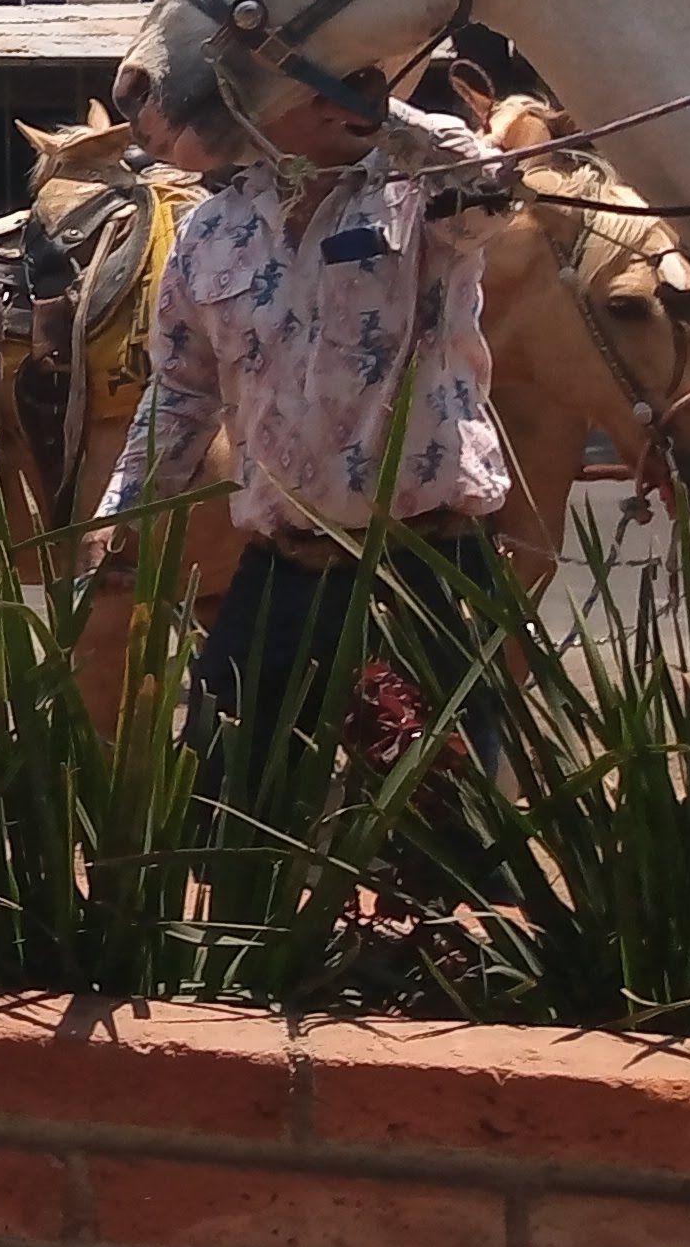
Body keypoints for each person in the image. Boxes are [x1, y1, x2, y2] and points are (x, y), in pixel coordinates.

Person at [85, 83, 523, 759]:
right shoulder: (210, 233)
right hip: (283, 566)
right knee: (225, 804)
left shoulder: (424, 198)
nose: (332, 95)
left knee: (450, 822)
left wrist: (380, 110)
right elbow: (181, 391)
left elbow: (495, 184)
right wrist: (126, 511)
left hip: (427, 568)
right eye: (308, 81)